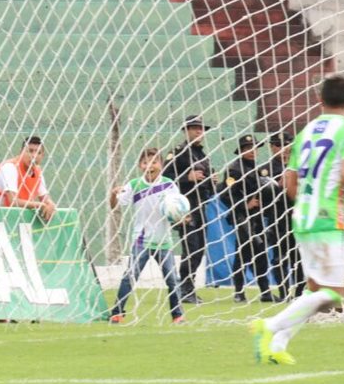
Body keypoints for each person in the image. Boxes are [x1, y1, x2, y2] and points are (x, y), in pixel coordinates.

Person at [250, 75, 344, 365]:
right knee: (334, 295)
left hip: (302, 216)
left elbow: (288, 183)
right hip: (328, 218)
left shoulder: (305, 132)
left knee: (313, 289)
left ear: (319, 99)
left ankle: (277, 344)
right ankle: (271, 325)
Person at [108, 147, 184, 324]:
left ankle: (177, 315)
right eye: (145, 162)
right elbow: (115, 206)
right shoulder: (134, 185)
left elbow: (177, 209)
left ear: (161, 165)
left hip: (164, 241)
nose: (150, 165)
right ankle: (117, 313)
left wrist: (182, 217)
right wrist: (113, 195)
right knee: (130, 276)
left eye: (154, 162)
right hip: (141, 241)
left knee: (173, 279)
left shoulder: (169, 185)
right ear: (140, 166)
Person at [163, 115, 213, 304]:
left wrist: (211, 181)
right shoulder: (178, 152)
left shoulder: (202, 154)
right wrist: (187, 177)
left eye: (201, 128)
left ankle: (187, 285)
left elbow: (205, 181)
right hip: (184, 208)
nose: (199, 131)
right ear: (186, 130)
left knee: (199, 248)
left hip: (201, 206)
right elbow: (166, 177)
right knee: (191, 247)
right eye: (194, 128)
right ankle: (184, 287)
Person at [220, 134, 273, 303]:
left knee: (260, 254)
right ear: (241, 151)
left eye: (254, 148)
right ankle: (239, 292)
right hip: (242, 217)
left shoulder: (254, 168)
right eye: (247, 148)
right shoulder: (235, 169)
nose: (251, 151)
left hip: (256, 217)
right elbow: (225, 194)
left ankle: (265, 292)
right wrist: (245, 204)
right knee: (245, 254)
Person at [0, 136, 57, 221]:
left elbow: (45, 198)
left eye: (38, 152)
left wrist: (50, 204)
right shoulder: (10, 168)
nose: (34, 155)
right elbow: (13, 201)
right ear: (21, 152)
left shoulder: (37, 172)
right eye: (30, 151)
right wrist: (39, 205)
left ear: (43, 156)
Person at [265, 131, 302, 301]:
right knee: (280, 257)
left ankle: (300, 292)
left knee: (300, 257)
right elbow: (264, 197)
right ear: (272, 147)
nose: (284, 149)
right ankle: (283, 292)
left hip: (298, 217)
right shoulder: (266, 170)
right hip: (278, 218)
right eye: (279, 145)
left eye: (287, 144)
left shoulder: (300, 167)